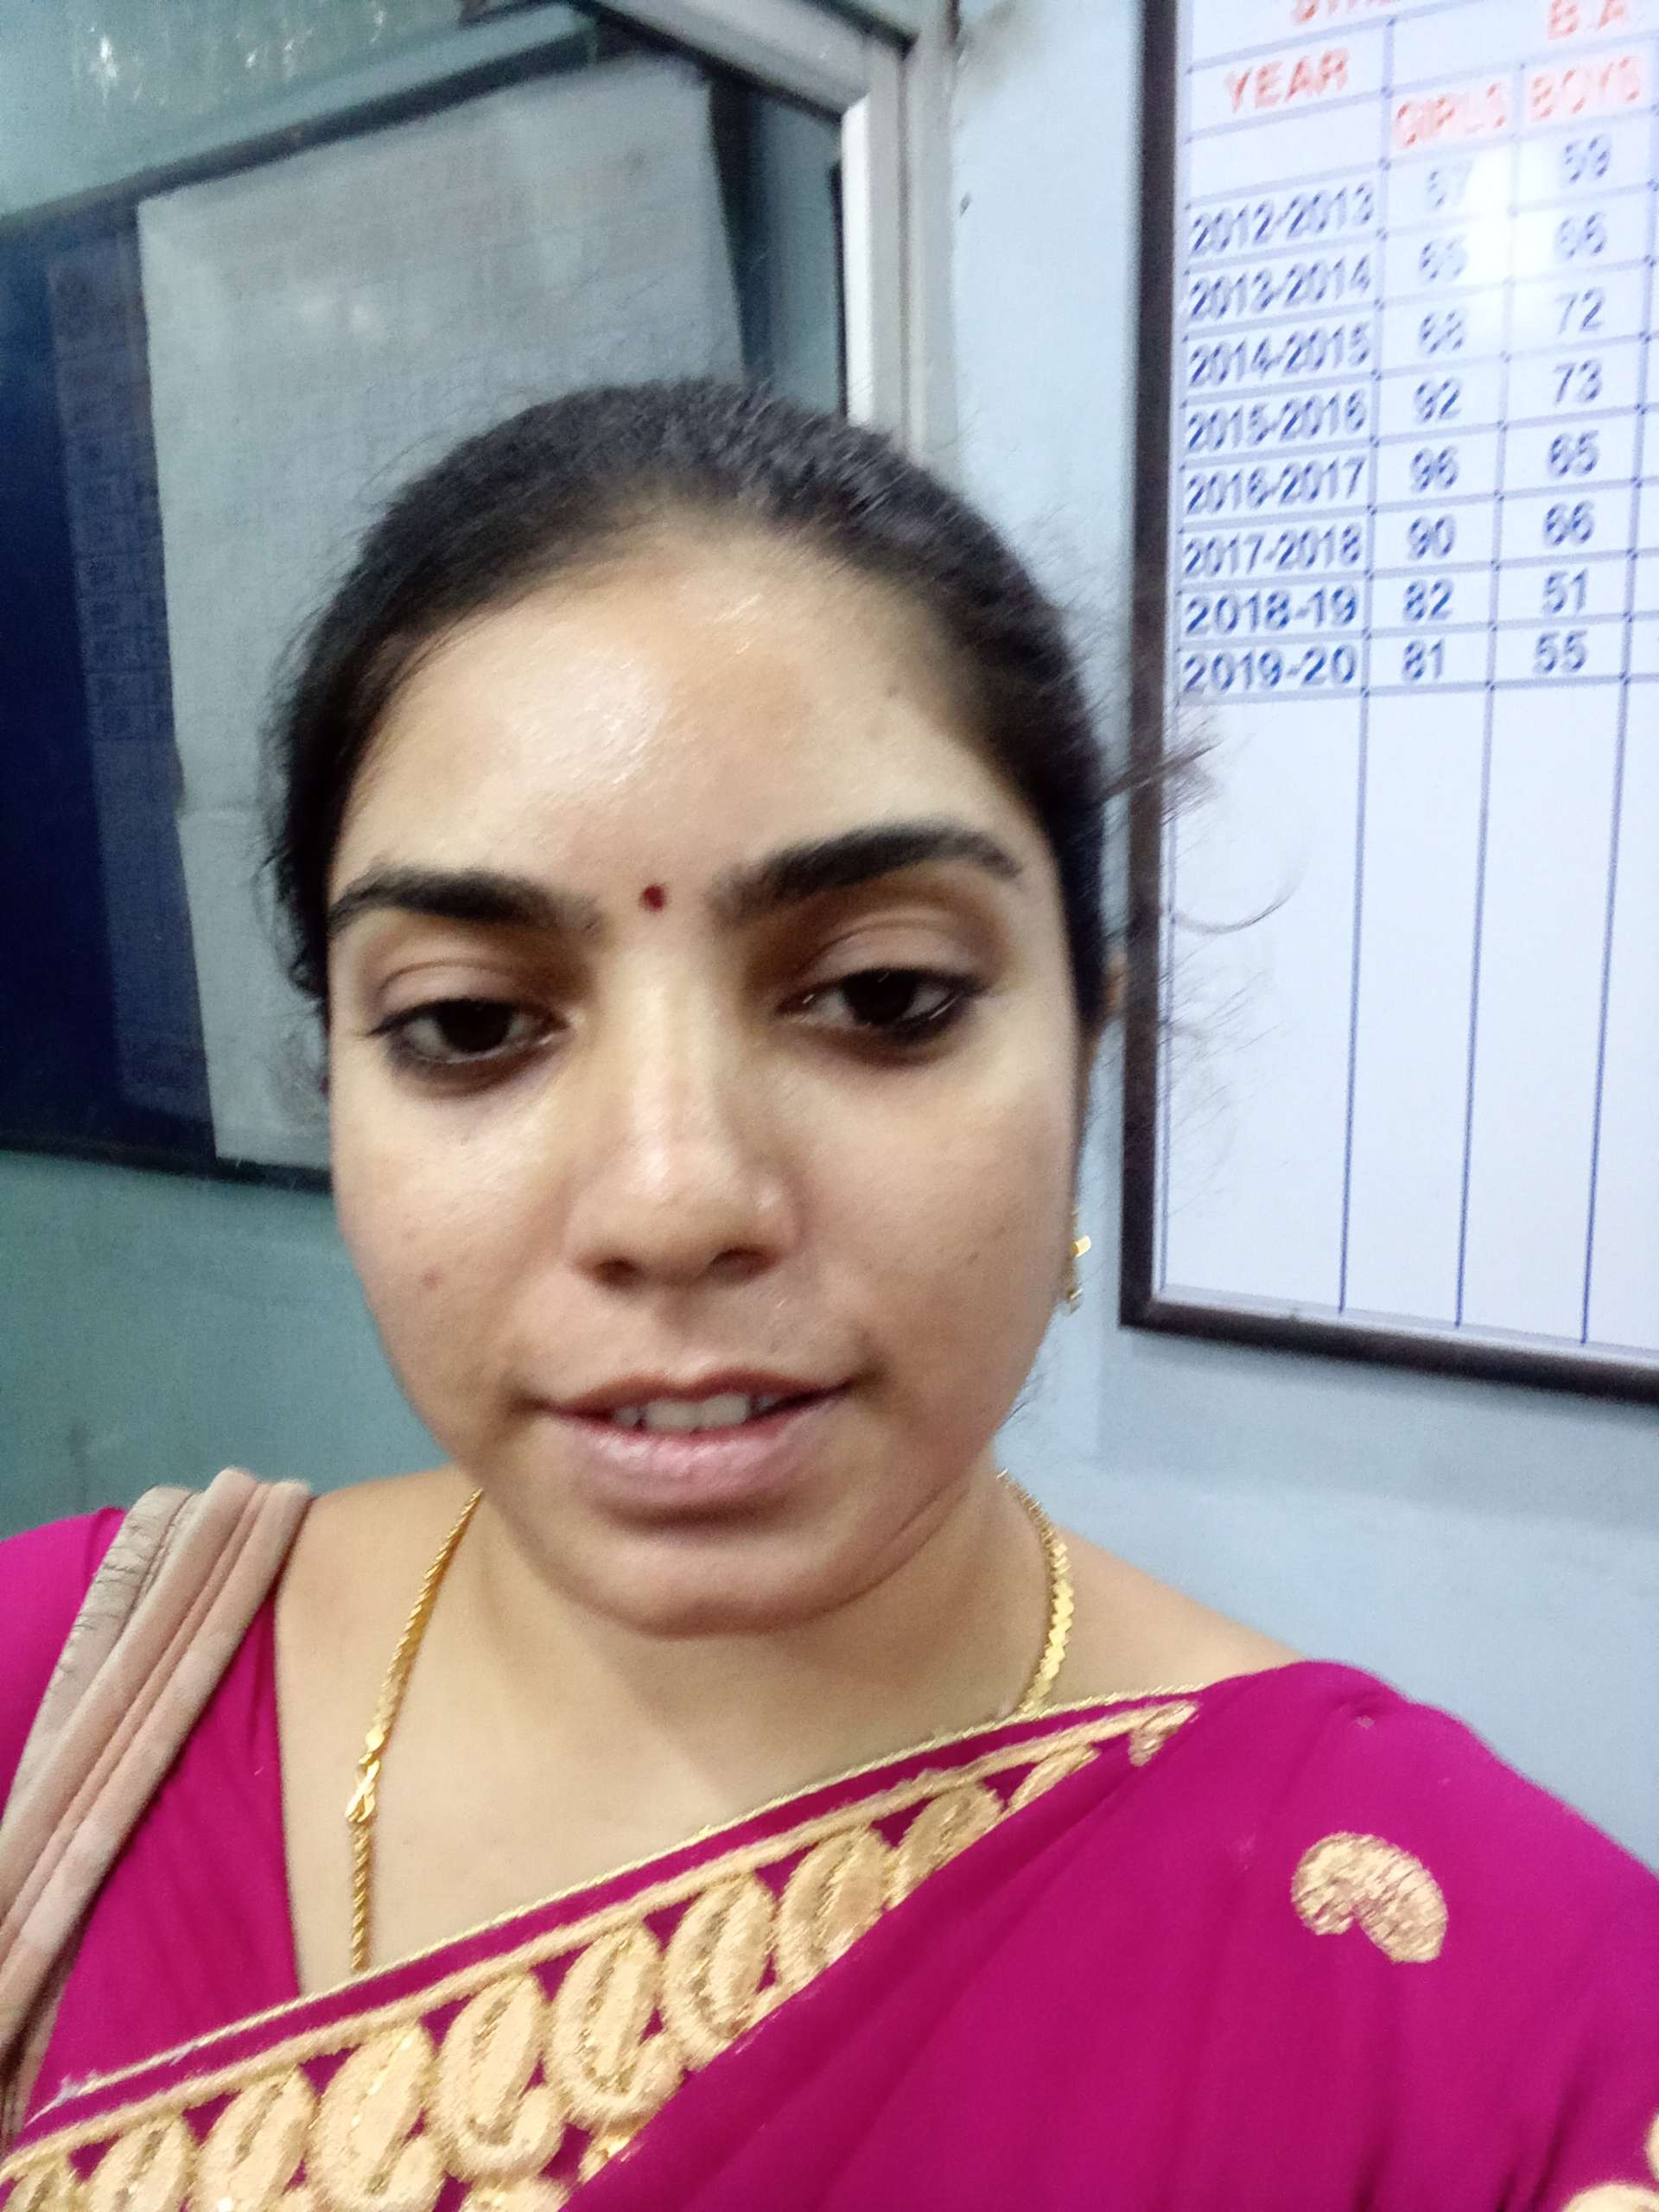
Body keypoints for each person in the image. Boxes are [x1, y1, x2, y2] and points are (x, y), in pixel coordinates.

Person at [0, 380, 1656, 2210]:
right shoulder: (60, 1708)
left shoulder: (1482, 2020)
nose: (673, 1200)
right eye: (470, 1023)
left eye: (880, 998)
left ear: (1088, 1053)